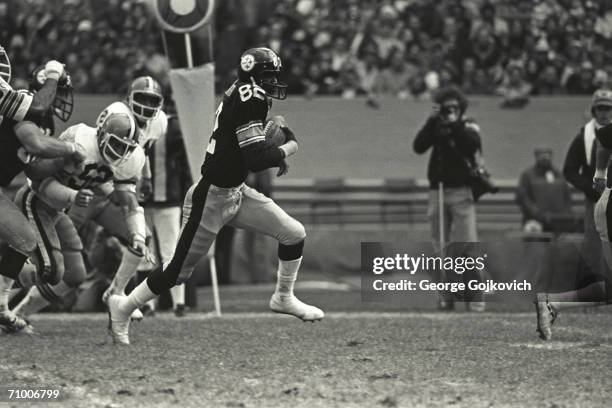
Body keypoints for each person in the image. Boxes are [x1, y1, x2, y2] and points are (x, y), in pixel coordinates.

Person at [108, 47, 324, 345]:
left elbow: (247, 146)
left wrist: (270, 148)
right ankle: (124, 307)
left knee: (293, 234)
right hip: (210, 198)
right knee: (176, 272)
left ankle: (283, 297)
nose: (273, 80)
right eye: (269, 75)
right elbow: (255, 159)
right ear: (255, 75)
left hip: (236, 192)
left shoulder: (243, 91)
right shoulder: (251, 96)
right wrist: (289, 147)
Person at [12, 77, 163, 322]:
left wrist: (136, 234)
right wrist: (74, 191)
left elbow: (124, 198)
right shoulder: (82, 140)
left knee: (74, 275)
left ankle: (19, 316)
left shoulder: (132, 157)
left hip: (59, 210)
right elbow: (39, 181)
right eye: (114, 144)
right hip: (37, 201)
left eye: (125, 148)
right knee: (47, 267)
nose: (118, 152)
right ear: (101, 133)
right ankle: (4, 307)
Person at [0, 54, 85, 332]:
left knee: (24, 241)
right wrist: (69, 150)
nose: (62, 98)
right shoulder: (25, 101)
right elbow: (34, 142)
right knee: (24, 244)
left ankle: (2, 308)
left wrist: (62, 163)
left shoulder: (44, 119)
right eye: (59, 90)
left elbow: (34, 171)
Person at [535, 89, 612, 340]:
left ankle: (553, 304)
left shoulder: (602, 133)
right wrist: (597, 179)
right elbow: (602, 144)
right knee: (597, 263)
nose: (605, 112)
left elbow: (604, 143)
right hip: (605, 203)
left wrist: (600, 173)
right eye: (601, 107)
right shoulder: (587, 135)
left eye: (607, 107)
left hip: (606, 201)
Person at [413, 86, 485, 312]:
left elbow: (471, 145)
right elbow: (419, 146)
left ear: (461, 107)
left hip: (461, 191)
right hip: (438, 190)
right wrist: (432, 121)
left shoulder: (468, 124)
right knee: (440, 244)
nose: (450, 111)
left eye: (455, 107)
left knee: (466, 243)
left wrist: (454, 125)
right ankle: (446, 295)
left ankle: (474, 296)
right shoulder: (436, 125)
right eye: (447, 107)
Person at [516, 148, 573, 234]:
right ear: (536, 157)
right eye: (541, 155)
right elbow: (522, 197)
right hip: (535, 221)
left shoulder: (558, 175)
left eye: (547, 155)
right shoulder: (527, 175)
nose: (545, 158)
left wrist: (566, 213)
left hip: (558, 221)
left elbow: (567, 196)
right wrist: (534, 211)